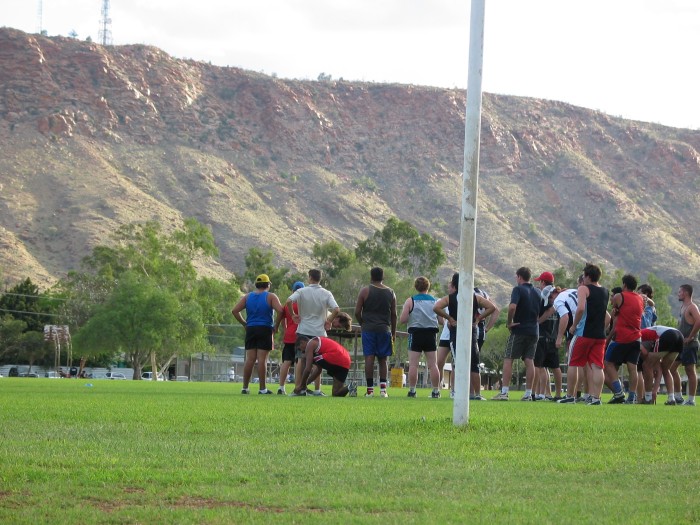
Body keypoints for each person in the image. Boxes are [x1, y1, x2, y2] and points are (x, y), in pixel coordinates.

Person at [435, 273, 498, 401]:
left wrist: (449, 318)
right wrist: (479, 318)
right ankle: (477, 394)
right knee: (474, 364)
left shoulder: (450, 298)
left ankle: (460, 392)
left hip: (456, 331)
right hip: (471, 331)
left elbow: (436, 307)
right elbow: (492, 307)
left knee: (458, 363)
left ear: (454, 284)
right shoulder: (475, 297)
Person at [286, 269, 341, 396]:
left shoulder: (301, 291)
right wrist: (329, 321)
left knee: (301, 359)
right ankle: (316, 389)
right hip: (319, 332)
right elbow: (337, 309)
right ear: (320, 278)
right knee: (318, 362)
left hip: (303, 330)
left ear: (309, 277)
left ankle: (298, 388)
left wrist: (293, 315)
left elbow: (288, 301)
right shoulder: (326, 293)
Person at [492, 267, 541, 401]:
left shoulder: (518, 289)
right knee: (529, 361)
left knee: (509, 358)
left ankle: (504, 392)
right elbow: (539, 312)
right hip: (534, 330)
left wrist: (509, 322)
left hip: (520, 329)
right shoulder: (538, 292)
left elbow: (512, 307)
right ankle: (528, 394)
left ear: (519, 277)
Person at [231, 274, 285, 395]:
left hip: (251, 328)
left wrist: (244, 324)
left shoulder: (248, 296)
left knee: (250, 359)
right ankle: (262, 389)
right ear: (268, 285)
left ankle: (245, 388)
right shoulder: (271, 296)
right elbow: (281, 310)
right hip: (265, 329)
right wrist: (276, 325)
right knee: (262, 360)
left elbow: (234, 311)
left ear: (256, 284)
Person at [568, 263, 610, 405]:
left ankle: (569, 396)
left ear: (587, 276)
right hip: (600, 336)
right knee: (597, 366)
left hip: (583, 333)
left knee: (573, 363)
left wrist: (574, 326)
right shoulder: (605, 291)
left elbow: (580, 309)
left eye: (584, 275)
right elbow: (607, 317)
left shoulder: (583, 289)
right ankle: (596, 398)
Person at [355, 267, 397, 397]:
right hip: (384, 330)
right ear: (383, 277)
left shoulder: (365, 291)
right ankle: (383, 391)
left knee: (369, 357)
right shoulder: (391, 292)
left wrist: (363, 323)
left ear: (371, 277)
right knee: (383, 359)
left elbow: (357, 312)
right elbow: (394, 314)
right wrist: (393, 332)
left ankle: (370, 391)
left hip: (368, 329)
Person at [399, 276, 440, 398]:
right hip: (431, 334)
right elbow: (441, 320)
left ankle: (412, 391)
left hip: (415, 333)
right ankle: (436, 391)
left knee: (413, 364)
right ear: (428, 287)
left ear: (416, 287)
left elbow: (403, 319)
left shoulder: (410, 301)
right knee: (433, 364)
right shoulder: (435, 301)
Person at [605, 274, 643, 404]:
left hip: (622, 337)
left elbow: (614, 311)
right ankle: (632, 397)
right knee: (633, 368)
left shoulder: (619, 296)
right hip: (637, 337)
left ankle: (618, 392)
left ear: (624, 285)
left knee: (608, 363)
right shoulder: (640, 298)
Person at [292, 335, 357, 397]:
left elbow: (308, 369)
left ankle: (302, 388)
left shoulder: (310, 344)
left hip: (337, 356)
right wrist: (305, 384)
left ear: (302, 343)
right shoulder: (317, 346)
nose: (302, 351)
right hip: (345, 361)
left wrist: (301, 385)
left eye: (300, 349)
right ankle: (351, 386)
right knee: (336, 393)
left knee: (304, 358)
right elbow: (318, 370)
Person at [670, 284, 700, 406]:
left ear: (686, 293)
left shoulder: (692, 307)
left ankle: (691, 400)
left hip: (690, 344)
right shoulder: (683, 307)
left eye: (680, 292)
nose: (678, 294)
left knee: (690, 370)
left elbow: (699, 320)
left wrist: (691, 336)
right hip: (680, 345)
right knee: (671, 368)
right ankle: (678, 397)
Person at [273, 281, 305, 395]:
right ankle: (297, 387)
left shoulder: (287, 305)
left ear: (292, 291)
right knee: (298, 362)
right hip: (301, 335)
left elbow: (282, 318)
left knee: (286, 362)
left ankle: (281, 387)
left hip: (289, 336)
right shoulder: (303, 305)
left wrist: (285, 329)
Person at [640, 326, 683, 405]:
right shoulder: (649, 333)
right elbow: (659, 369)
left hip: (668, 335)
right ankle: (671, 399)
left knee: (646, 365)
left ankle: (648, 398)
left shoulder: (637, 336)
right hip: (680, 336)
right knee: (665, 369)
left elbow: (644, 352)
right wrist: (655, 390)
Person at [535, 284, 563, 400]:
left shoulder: (552, 304)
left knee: (542, 366)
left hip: (544, 338)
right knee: (548, 367)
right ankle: (548, 394)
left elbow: (546, 315)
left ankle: (544, 394)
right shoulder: (559, 304)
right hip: (552, 339)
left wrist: (537, 322)